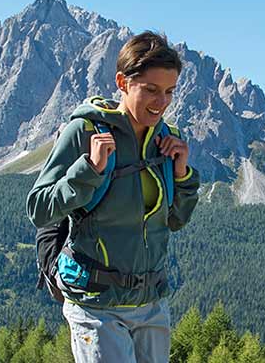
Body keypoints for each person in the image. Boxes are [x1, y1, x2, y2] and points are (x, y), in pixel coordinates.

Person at [26, 31, 200, 363]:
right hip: (95, 304)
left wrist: (182, 175)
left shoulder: (169, 140)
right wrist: (89, 168)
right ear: (122, 82)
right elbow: (39, 208)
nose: (161, 102)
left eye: (169, 92)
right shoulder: (87, 131)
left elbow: (175, 220)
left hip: (150, 304)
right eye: (150, 90)